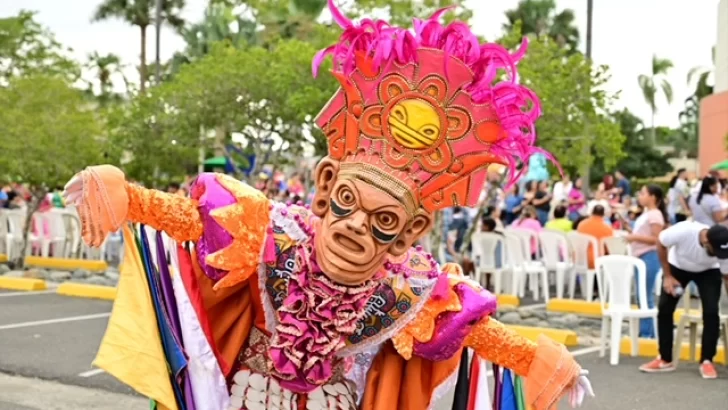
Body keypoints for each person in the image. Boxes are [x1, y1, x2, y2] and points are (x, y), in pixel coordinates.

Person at [61, 4, 592, 410]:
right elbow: (191, 220)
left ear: (410, 232)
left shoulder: (413, 293)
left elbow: (480, 335)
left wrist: (541, 363)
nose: (356, 226)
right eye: (347, 203)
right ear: (325, 185)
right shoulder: (265, 232)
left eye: (384, 222)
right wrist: (126, 196)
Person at [639, 222, 728, 379]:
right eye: (716, 251)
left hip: (708, 272)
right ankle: (665, 359)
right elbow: (660, 242)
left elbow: (726, 277)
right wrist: (667, 276)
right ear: (706, 241)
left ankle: (707, 360)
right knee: (665, 308)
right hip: (678, 267)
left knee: (711, 312)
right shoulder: (685, 231)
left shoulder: (722, 249)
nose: (718, 255)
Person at [624, 185, 667, 338]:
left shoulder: (655, 215)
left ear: (653, 197)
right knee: (641, 295)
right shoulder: (646, 214)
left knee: (644, 295)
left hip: (649, 256)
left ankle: (647, 333)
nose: (640, 196)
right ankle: (646, 331)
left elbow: (657, 239)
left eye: (643, 193)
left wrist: (634, 237)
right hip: (641, 256)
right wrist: (631, 232)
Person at [577, 205, 614, 270]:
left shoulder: (581, 224)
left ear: (591, 212)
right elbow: (609, 248)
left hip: (581, 260)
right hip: (598, 261)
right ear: (603, 214)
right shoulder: (607, 228)